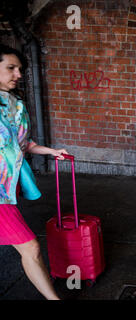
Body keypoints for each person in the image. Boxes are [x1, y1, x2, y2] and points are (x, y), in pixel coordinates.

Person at [0, 44, 69, 299]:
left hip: (10, 188)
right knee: (31, 248)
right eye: (10, 68)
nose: (18, 74)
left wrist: (51, 152)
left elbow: (23, 144)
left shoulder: (15, 105)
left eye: (19, 68)